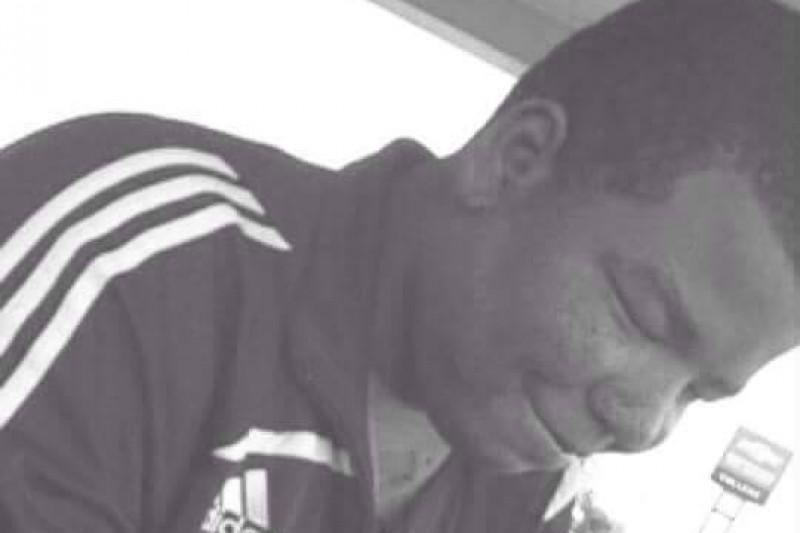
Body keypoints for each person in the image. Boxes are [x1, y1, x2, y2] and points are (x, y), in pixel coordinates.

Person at [0, 0, 798, 531]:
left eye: (697, 392)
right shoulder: (138, 265)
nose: (642, 421)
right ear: (517, 159)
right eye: (642, 316)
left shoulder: (528, 492)